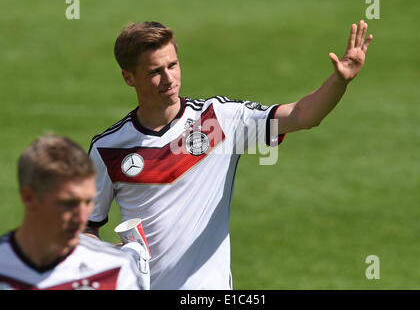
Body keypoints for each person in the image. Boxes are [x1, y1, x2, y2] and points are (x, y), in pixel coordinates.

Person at [86, 20, 373, 289]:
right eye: (154, 72)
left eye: (173, 65)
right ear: (128, 77)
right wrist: (115, 256)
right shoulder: (108, 149)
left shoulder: (216, 121)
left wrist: (340, 81)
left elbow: (302, 115)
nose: (169, 78)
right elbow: (83, 231)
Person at [0, 134, 144, 290]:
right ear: (29, 198)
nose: (82, 218)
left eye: (88, 202)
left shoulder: (114, 269)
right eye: (69, 204)